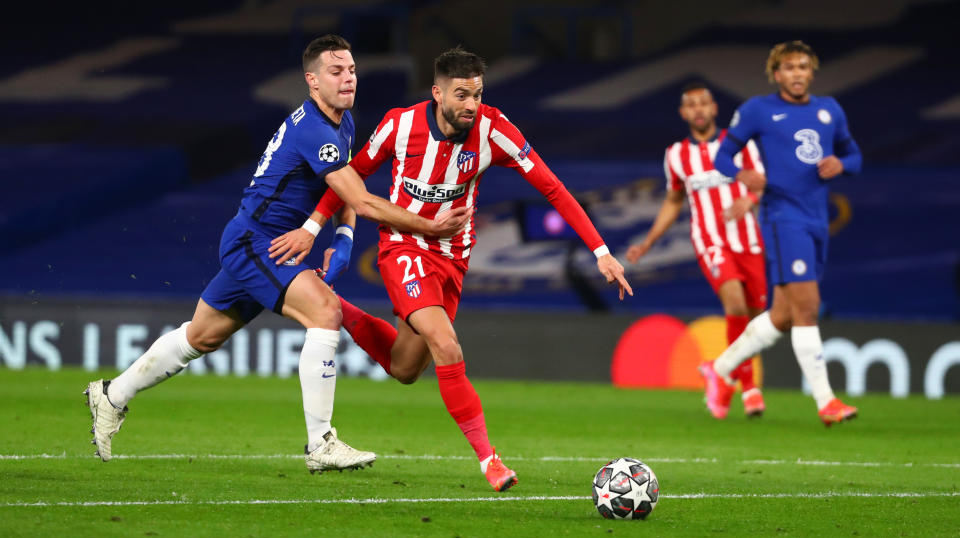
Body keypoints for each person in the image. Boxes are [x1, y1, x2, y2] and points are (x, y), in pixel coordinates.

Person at [84, 35, 472, 472]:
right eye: (335, 71)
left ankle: (111, 395)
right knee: (325, 312)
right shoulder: (314, 129)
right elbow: (361, 199)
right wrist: (429, 226)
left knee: (202, 336)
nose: (348, 79)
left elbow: (344, 188)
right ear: (311, 81)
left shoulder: (341, 124)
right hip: (257, 241)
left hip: (267, 243)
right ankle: (321, 444)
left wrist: (342, 241)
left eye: (351, 70)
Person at [268, 46, 633, 491]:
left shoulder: (494, 129)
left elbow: (553, 188)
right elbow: (350, 177)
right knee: (446, 343)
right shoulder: (398, 125)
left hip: (453, 259)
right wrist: (315, 227)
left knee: (405, 368)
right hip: (403, 247)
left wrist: (601, 252)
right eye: (461, 95)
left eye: (477, 95)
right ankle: (490, 460)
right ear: (437, 92)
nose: (471, 106)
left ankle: (335, 309)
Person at [700, 40, 862, 426]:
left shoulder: (830, 110)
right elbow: (722, 155)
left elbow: (854, 156)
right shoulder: (759, 109)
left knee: (783, 315)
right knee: (808, 306)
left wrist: (841, 163)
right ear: (777, 74)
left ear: (812, 72)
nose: (797, 74)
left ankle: (719, 369)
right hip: (781, 217)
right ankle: (826, 402)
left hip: (816, 219)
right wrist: (742, 173)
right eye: (789, 68)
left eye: (803, 67)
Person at [626, 82, 768, 419]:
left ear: (714, 108)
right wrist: (648, 242)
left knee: (757, 317)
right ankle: (749, 388)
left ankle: (720, 372)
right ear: (683, 113)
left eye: (704, 103)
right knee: (733, 302)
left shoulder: (740, 145)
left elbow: (760, 182)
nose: (699, 109)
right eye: (691, 104)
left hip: (747, 240)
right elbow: (674, 201)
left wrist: (747, 202)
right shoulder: (676, 155)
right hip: (710, 241)